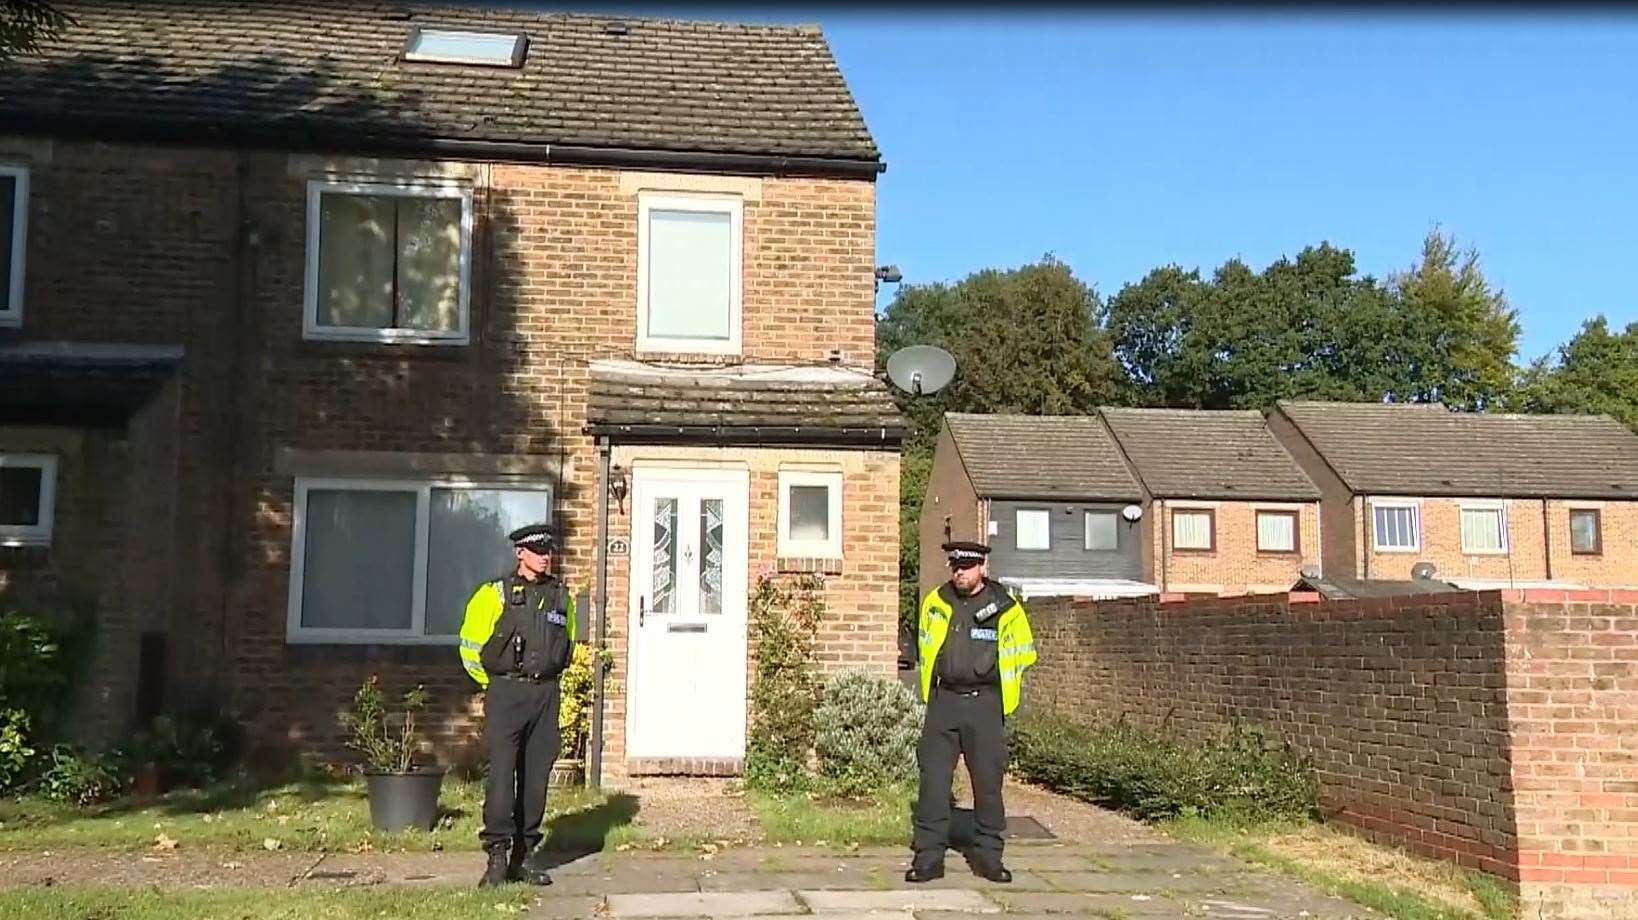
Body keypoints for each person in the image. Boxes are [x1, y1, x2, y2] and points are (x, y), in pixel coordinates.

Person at [906, 541, 1036, 885]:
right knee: (932, 784)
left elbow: (1025, 653)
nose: (959, 572)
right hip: (944, 702)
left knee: (988, 785)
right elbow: (925, 644)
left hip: (985, 705)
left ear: (982, 568)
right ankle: (928, 859)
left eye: (967, 566)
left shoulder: (1006, 607)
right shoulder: (936, 601)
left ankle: (989, 858)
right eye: (955, 566)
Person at [458, 523, 578, 888]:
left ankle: (522, 858)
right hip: (506, 694)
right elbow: (469, 648)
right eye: (537, 551)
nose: (545, 557)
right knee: (501, 779)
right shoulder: (494, 594)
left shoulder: (561, 596)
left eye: (548, 551)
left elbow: (568, 643)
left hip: (545, 695)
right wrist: (493, 685)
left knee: (535, 779)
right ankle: (496, 857)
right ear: (520, 553)